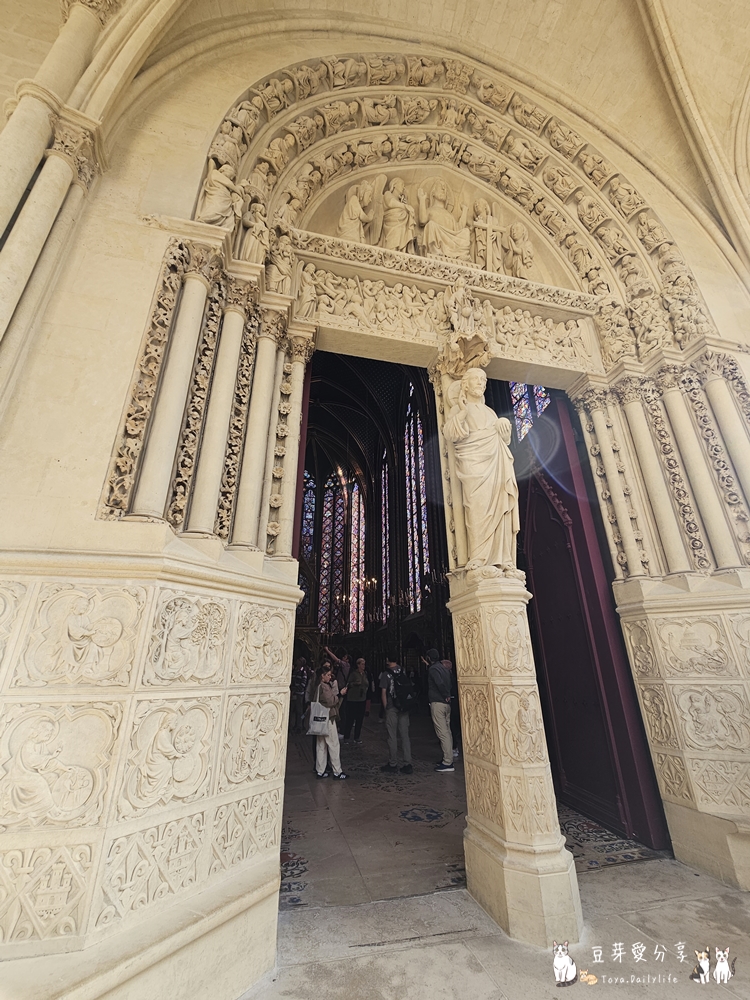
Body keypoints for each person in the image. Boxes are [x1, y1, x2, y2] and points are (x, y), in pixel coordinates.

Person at [311, 663, 348, 780]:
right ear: (322, 676)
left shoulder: (317, 686)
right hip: (327, 718)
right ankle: (337, 771)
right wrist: (339, 694)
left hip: (319, 720)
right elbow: (330, 701)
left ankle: (320, 770)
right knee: (333, 744)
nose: (329, 677)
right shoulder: (324, 687)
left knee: (321, 745)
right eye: (328, 675)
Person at [379, 653, 412, 774]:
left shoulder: (385, 674)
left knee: (392, 736)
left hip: (392, 707)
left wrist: (386, 708)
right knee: (405, 735)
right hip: (404, 706)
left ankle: (393, 763)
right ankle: (407, 764)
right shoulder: (402, 670)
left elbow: (383, 693)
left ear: (387, 660)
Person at [426, 649, 454, 772]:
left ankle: (448, 762)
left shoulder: (433, 669)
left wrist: (445, 695)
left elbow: (439, 683)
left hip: (438, 703)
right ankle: (448, 758)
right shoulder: (444, 668)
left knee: (442, 733)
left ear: (428, 658)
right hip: (446, 704)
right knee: (447, 731)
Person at [326, 647, 352, 738]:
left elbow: (335, 659)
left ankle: (342, 730)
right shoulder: (345, 666)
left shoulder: (345, 665)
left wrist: (327, 651)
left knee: (341, 710)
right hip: (340, 689)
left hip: (342, 690)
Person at [342, 657, 368, 743]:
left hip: (362, 699)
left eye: (364, 664)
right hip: (353, 699)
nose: (363, 666)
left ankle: (357, 736)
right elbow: (348, 684)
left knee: (359, 719)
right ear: (358, 665)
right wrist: (355, 684)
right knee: (350, 718)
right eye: (362, 664)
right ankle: (347, 736)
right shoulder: (353, 674)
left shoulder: (365, 674)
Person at [289, 657, 308, 734]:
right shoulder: (295, 671)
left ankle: (299, 726)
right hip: (293, 693)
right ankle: (291, 726)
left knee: (299, 711)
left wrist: (295, 690)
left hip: (299, 694)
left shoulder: (303, 672)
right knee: (291, 710)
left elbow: (303, 684)